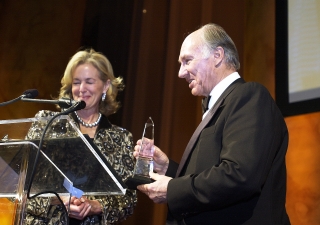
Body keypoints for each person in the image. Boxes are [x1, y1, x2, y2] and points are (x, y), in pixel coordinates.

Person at [134, 23, 290, 224]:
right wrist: (168, 170)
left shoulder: (248, 96)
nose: (181, 73)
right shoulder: (219, 105)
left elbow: (239, 175)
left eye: (187, 61)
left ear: (218, 55)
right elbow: (210, 175)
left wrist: (171, 189)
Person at [24, 49, 137, 225]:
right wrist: (58, 200)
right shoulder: (47, 124)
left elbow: (128, 200)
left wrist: (96, 205)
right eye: (76, 82)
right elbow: (21, 185)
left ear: (106, 86)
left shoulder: (121, 138)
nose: (82, 89)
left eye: (89, 82)